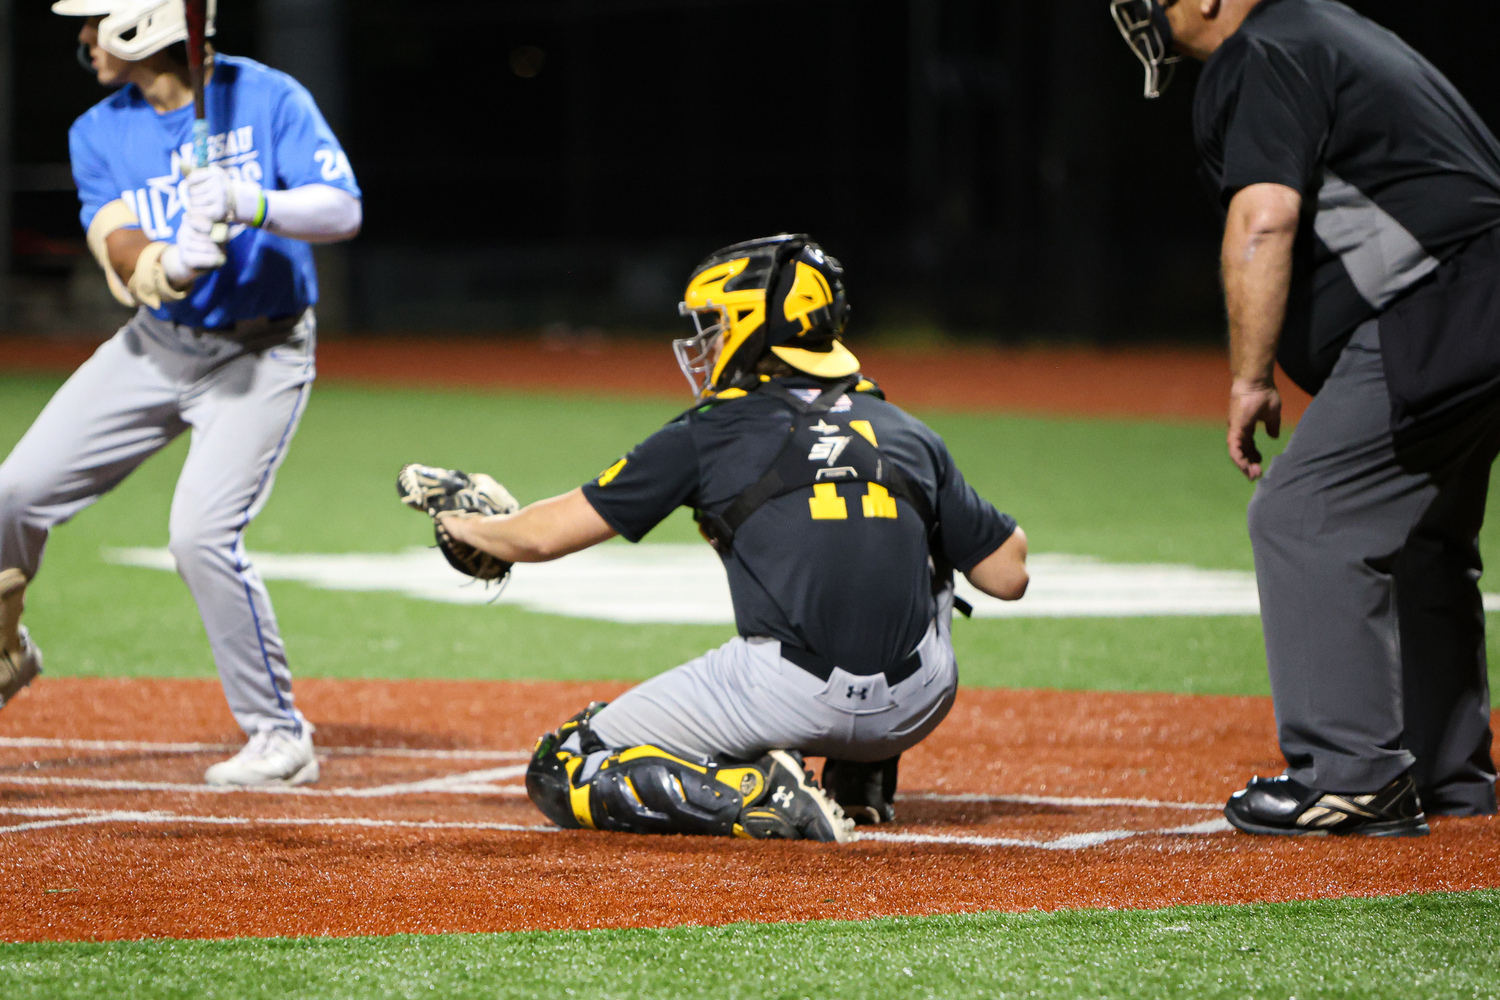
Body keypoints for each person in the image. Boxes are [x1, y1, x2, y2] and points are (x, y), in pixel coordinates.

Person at [422, 235, 1029, 841]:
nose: (704, 342)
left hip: (789, 691)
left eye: (715, 323)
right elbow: (1009, 574)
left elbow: (542, 538)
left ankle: (756, 796)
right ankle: (863, 777)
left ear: (753, 325)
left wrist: (467, 524)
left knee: (565, 765)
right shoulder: (907, 430)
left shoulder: (714, 429)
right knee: (911, 551)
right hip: (919, 700)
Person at [1112, 0, 1500, 835]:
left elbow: (1265, 218)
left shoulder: (1263, 51)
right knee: (1421, 540)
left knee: (1303, 516)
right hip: (1475, 300)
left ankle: (1350, 774)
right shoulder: (1327, 28)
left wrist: (1249, 377)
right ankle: (1451, 778)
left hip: (1439, 304)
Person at [0, 0, 362, 786]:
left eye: (96, 19)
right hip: (156, 349)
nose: (85, 36)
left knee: (200, 536)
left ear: (143, 22)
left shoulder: (266, 94)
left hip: (260, 354)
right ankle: (4, 650)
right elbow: (120, 246)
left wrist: (247, 202)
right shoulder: (99, 129)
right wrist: (174, 264)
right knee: (13, 493)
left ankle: (279, 735)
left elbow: (342, 209)